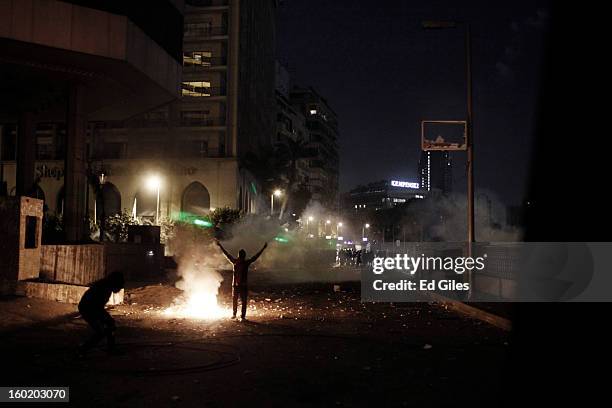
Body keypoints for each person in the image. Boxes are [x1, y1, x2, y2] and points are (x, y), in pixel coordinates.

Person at [215, 240, 268, 321]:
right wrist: (263, 248)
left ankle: (235, 315)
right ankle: (242, 316)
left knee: (235, 300)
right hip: (242, 285)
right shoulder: (245, 262)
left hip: (236, 285)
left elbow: (226, 254)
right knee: (242, 301)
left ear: (239, 255)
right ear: (244, 255)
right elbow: (255, 257)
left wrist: (220, 246)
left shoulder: (235, 262)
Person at [78, 271, 124, 354]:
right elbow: (95, 306)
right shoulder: (104, 288)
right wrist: (104, 319)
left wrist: (106, 319)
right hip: (88, 308)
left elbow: (99, 307)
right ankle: (82, 350)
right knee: (101, 332)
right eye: (120, 286)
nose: (120, 289)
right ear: (115, 282)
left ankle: (111, 348)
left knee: (109, 324)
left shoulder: (106, 286)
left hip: (92, 307)